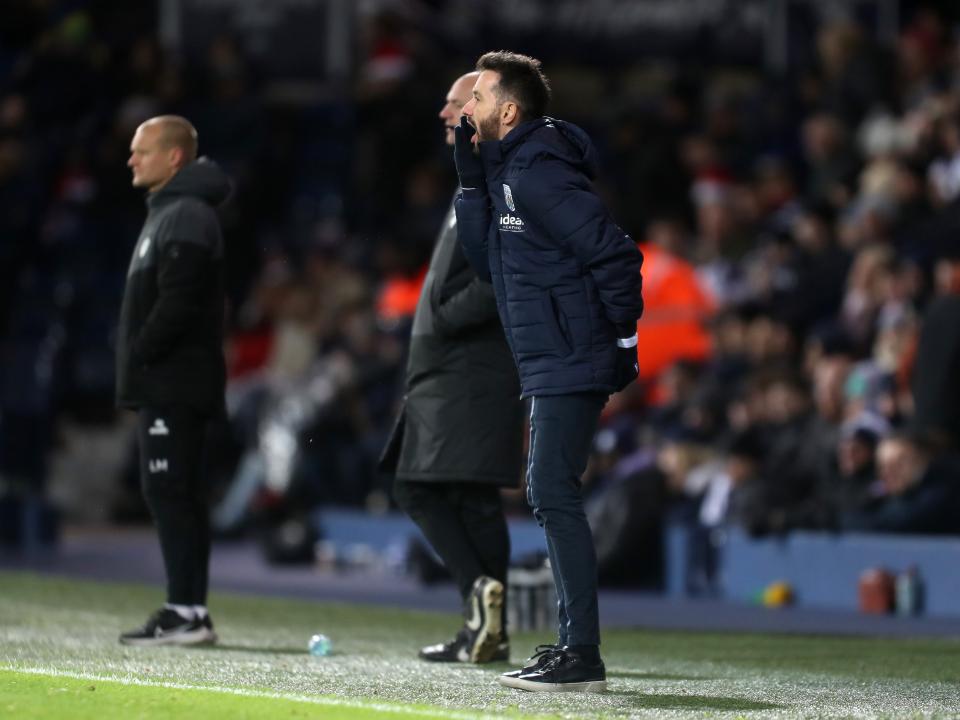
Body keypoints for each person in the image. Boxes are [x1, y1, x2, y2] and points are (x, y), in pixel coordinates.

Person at [453, 52, 644, 692]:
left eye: (477, 98)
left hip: (571, 353)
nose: (466, 109)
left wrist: (619, 338)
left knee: (552, 493)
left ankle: (581, 653)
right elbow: (486, 264)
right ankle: (574, 647)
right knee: (550, 493)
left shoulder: (536, 172)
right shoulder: (510, 171)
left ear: (507, 110)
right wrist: (470, 177)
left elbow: (616, 255)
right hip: (553, 355)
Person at [380, 72, 525, 664]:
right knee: (467, 495)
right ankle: (485, 627)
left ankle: (478, 594)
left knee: (420, 486)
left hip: (470, 365)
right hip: (456, 368)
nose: (444, 112)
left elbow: (503, 276)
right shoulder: (479, 178)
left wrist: (439, 316)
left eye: (457, 101)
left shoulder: (499, 180)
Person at [115, 115, 231, 646]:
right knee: (171, 491)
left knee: (172, 491)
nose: (132, 160)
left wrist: (140, 353)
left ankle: (186, 610)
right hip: (172, 380)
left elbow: (178, 302)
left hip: (176, 382)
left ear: (174, 157)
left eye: (142, 151)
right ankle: (186, 609)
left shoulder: (184, 213)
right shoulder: (171, 211)